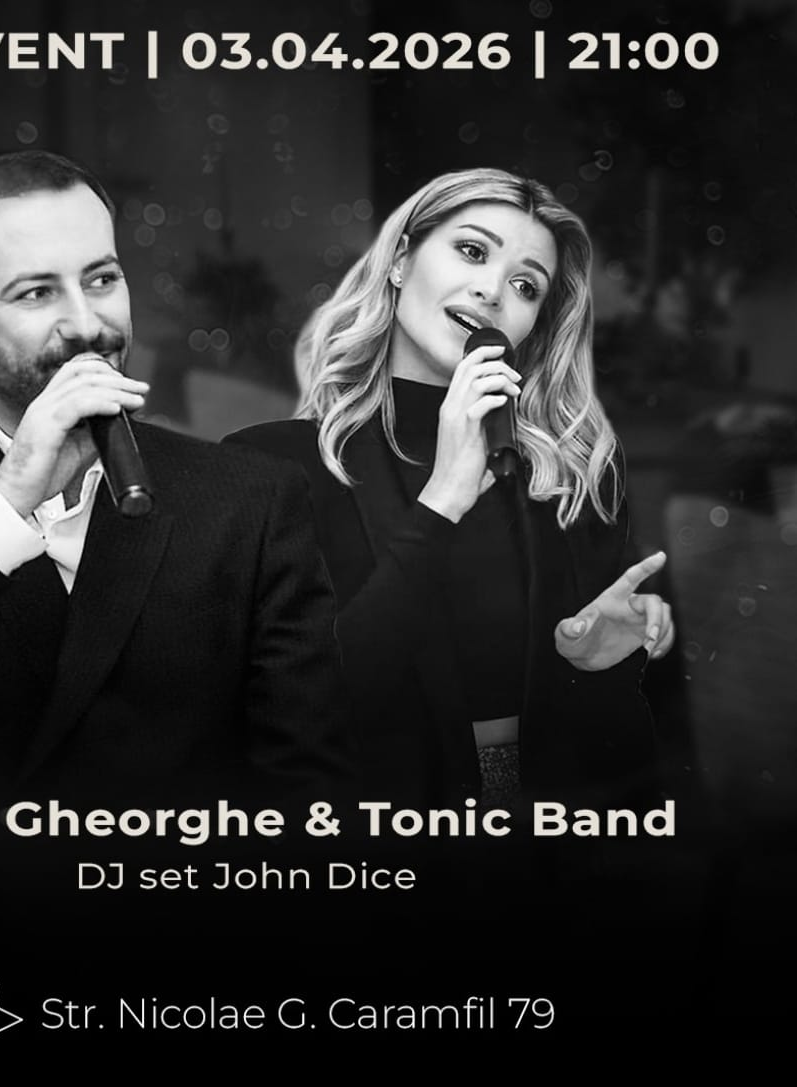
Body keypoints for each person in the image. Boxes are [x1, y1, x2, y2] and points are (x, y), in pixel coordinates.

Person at [0, 151, 349, 810]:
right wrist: (6, 501)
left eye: (101, 279)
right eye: (36, 293)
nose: (84, 323)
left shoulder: (251, 499)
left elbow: (310, 789)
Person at [228, 168, 674, 811]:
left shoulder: (573, 477)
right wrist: (442, 502)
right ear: (400, 261)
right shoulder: (273, 465)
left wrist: (595, 666)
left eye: (525, 285)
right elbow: (303, 704)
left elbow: (623, 758)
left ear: (534, 326)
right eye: (471, 250)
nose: (492, 290)